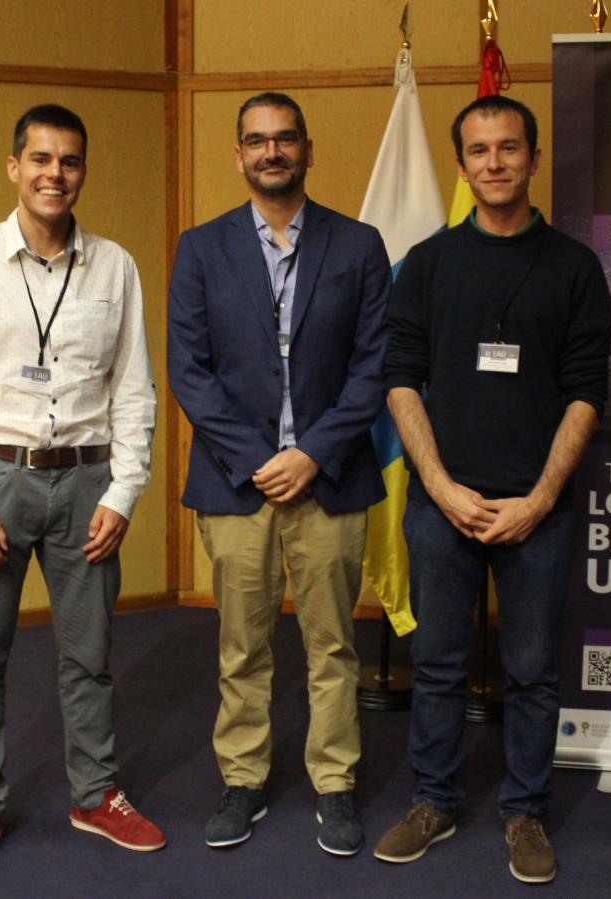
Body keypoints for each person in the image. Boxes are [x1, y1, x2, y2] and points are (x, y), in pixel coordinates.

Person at [0, 104, 161, 878]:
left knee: (88, 657)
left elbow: (134, 389)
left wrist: (124, 490)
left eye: (71, 161)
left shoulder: (114, 265)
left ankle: (94, 794)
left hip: (87, 482)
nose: (56, 173)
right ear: (13, 166)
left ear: (82, 171)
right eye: (42, 159)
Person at [373, 95, 611, 884]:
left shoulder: (576, 268)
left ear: (533, 159)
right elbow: (400, 380)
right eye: (478, 151)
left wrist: (540, 499)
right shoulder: (429, 264)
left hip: (534, 509)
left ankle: (525, 812)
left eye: (510, 148)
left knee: (534, 669)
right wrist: (440, 487)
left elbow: (586, 393)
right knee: (438, 664)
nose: (495, 162)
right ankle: (435, 800)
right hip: (443, 506)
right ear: (463, 165)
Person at [167, 92, 390, 857]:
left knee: (333, 647)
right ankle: (245, 778)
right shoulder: (200, 248)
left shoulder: (359, 246)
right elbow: (189, 372)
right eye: (257, 141)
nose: (271, 152)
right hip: (237, 484)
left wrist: (313, 452)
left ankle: (334, 784)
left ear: (307, 149)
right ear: (238, 156)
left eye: (284, 139)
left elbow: (374, 366)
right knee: (242, 643)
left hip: (329, 479)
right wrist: (261, 459)